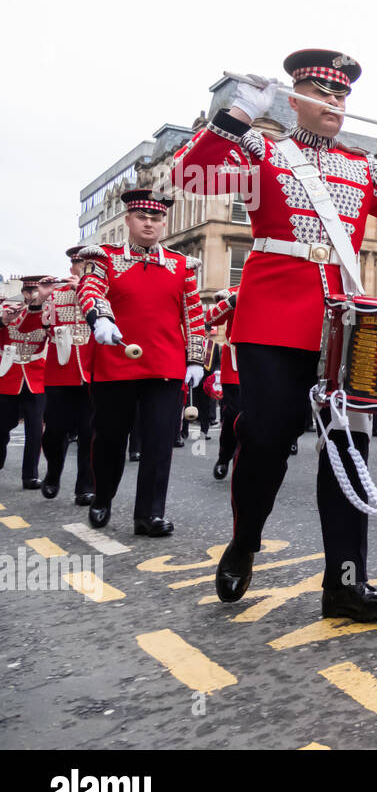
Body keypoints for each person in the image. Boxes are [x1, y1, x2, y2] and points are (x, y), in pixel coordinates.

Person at [172, 47, 377, 621]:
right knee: (266, 435)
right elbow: (188, 176)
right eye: (323, 94)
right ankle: (246, 540)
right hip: (274, 314)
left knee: (348, 449)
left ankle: (345, 582)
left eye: (342, 96)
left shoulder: (364, 167)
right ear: (296, 100)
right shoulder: (263, 150)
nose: (335, 105)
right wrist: (240, 112)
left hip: (343, 321)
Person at [77, 190, 206, 535]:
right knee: (110, 439)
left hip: (165, 366)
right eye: (142, 217)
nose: (149, 223)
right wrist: (99, 318)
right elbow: (89, 289)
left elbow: (194, 316)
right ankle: (102, 496)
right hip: (115, 363)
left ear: (164, 223)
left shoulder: (182, 266)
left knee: (159, 442)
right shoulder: (103, 257)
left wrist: (196, 359)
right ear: (129, 221)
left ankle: (148, 515)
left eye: (156, 218)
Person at [39, 250, 95, 504]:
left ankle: (85, 486)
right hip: (61, 371)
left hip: (92, 371)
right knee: (54, 432)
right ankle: (53, 472)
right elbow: (41, 327)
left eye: (85, 265)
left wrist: (84, 288)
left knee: (89, 433)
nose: (80, 268)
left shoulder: (102, 294)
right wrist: (40, 297)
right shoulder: (55, 295)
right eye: (77, 264)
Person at [0, 277, 50, 490]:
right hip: (8, 374)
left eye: (35, 290)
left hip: (35, 375)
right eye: (28, 291)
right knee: (2, 427)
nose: (32, 295)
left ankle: (30, 475)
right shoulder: (7, 309)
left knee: (35, 430)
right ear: (23, 291)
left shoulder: (49, 312)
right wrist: (2, 321)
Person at [205, 286, 240, 479]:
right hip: (235, 361)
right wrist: (229, 302)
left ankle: (243, 459)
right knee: (233, 413)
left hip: (262, 361)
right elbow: (210, 318)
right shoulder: (233, 292)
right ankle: (224, 456)